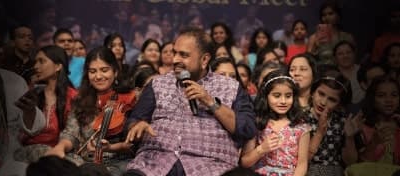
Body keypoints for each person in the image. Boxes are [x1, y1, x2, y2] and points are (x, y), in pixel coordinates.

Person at [124, 27, 256, 176]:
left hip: (211, 166)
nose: (175, 60)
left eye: (183, 55)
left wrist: (210, 102)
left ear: (204, 59)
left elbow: (247, 128)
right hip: (154, 163)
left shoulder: (231, 87)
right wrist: (136, 126)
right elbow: (134, 121)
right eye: (175, 53)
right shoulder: (157, 84)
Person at [46, 47, 136, 175]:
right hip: (85, 160)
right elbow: (71, 133)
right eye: (92, 71)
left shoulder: (128, 100)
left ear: (115, 72)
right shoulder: (80, 100)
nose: (98, 76)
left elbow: (133, 146)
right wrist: (60, 147)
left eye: (104, 70)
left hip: (117, 163)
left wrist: (111, 148)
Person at [0, 28, 45, 175]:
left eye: (0, 45)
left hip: (6, 160)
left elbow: (36, 127)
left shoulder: (13, 81)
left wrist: (30, 110)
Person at [240, 69, 310, 176]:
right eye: (276, 95)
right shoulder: (258, 122)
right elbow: (244, 163)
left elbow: (302, 163)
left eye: (288, 96)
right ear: (266, 96)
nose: (283, 101)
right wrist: (262, 149)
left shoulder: (301, 127)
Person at [14, 46, 77, 163]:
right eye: (35, 62)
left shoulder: (72, 96)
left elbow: (72, 131)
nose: (36, 67)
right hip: (30, 152)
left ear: (58, 66)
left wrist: (59, 149)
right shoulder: (31, 93)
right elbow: (18, 131)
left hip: (60, 152)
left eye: (41, 61)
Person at [305, 71, 358, 175]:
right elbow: (302, 160)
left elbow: (351, 162)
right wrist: (320, 132)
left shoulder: (342, 121)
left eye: (332, 99)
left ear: (339, 105)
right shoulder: (301, 118)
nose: (323, 102)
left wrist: (349, 137)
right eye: (321, 94)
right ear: (312, 92)